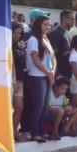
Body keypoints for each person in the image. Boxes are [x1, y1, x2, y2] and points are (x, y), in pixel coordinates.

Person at [26, 14, 56, 143]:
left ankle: (42, 131)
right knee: (38, 105)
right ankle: (35, 132)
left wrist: (52, 72)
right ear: (38, 25)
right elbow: (36, 60)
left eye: (49, 24)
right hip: (37, 76)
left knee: (44, 106)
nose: (48, 27)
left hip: (46, 75)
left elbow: (53, 58)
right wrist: (48, 73)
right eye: (45, 24)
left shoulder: (46, 39)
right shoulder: (34, 39)